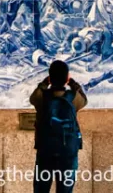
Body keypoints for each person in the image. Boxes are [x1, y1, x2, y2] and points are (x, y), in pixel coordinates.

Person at [29, 60, 87, 193]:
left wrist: (45, 83)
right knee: (65, 190)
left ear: (50, 78)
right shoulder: (73, 99)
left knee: (41, 188)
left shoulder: (42, 98)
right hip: (68, 151)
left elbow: (33, 98)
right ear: (66, 78)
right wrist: (72, 83)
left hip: (45, 150)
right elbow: (84, 99)